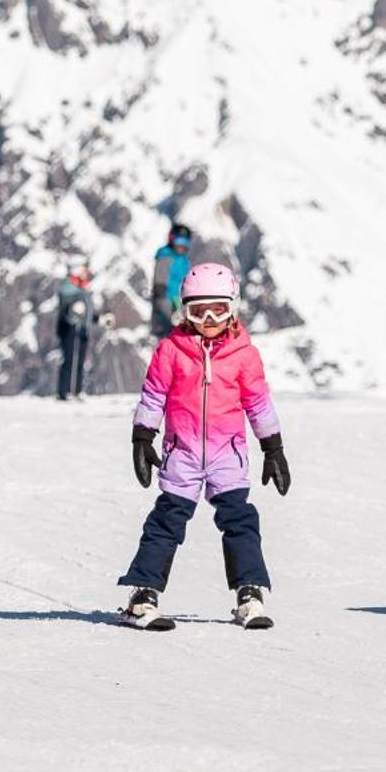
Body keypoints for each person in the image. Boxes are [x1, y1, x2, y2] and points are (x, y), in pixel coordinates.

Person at [121, 263, 291, 629]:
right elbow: (153, 396)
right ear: (184, 311)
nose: (209, 318)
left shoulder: (244, 355)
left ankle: (249, 591)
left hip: (226, 455)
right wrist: (142, 436)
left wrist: (272, 447)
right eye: (198, 311)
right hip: (181, 453)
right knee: (166, 522)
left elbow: (258, 403)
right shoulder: (170, 351)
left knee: (241, 520)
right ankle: (143, 595)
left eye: (218, 308)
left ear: (233, 307)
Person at [55, 264, 95, 399]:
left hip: (82, 329)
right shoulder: (69, 287)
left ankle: (77, 390)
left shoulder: (83, 290)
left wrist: (98, 318)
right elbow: (67, 307)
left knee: (79, 361)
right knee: (69, 359)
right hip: (69, 328)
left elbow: (87, 312)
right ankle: (64, 392)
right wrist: (73, 309)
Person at [148, 222, 194, 338]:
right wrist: (163, 308)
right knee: (169, 337)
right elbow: (160, 284)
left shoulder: (184, 260)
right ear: (171, 239)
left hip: (179, 303)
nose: (181, 245)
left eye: (185, 242)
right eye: (178, 241)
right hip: (167, 304)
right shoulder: (166, 256)